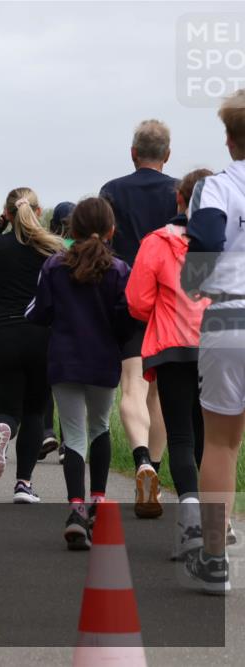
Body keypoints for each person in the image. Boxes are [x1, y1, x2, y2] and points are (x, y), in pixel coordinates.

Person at [26, 197, 135, 550]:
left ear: (70, 229)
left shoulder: (55, 266)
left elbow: (38, 312)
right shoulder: (119, 270)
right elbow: (126, 319)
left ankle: (75, 510)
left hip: (64, 360)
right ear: (111, 230)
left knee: (73, 435)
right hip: (103, 360)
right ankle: (98, 503)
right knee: (100, 427)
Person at [127, 168, 213, 559]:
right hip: (222, 349)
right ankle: (219, 524)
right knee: (216, 441)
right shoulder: (230, 242)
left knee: (180, 436)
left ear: (179, 199)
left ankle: (191, 523)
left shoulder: (157, 242)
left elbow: (138, 301)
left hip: (174, 348)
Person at [181, 89, 245, 594]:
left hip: (229, 318)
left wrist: (194, 279)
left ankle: (215, 560)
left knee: (221, 441)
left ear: (228, 139)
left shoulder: (219, 186)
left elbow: (204, 236)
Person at [0, 188, 64, 503]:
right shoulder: (53, 248)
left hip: (4, 334)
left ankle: (2, 431)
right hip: (41, 335)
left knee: (6, 410)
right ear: (39, 210)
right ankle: (23, 484)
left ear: (7, 214)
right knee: (35, 412)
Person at [100, 119, 177, 519]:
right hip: (169, 302)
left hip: (127, 300)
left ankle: (141, 460)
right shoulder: (180, 192)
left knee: (130, 387)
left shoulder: (111, 191)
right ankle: (157, 471)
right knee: (159, 392)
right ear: (167, 154)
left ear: (133, 153)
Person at [43, 201, 77, 465]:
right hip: (75, 327)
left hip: (50, 323)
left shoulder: (47, 250)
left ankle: (46, 432)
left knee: (45, 381)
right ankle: (68, 442)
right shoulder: (84, 251)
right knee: (70, 386)